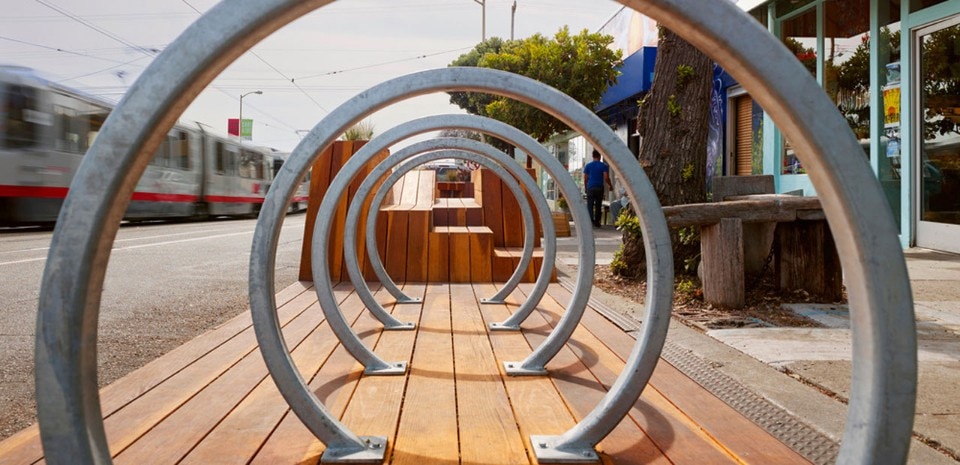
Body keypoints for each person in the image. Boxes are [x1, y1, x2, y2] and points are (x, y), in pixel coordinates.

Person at [583, 149, 613, 227]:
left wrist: (586, 187)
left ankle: (590, 221)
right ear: (600, 156)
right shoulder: (603, 166)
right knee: (598, 205)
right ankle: (597, 222)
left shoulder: (588, 166)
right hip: (599, 187)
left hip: (590, 187)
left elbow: (585, 178)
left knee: (590, 204)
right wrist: (610, 185)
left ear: (593, 156)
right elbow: (606, 177)